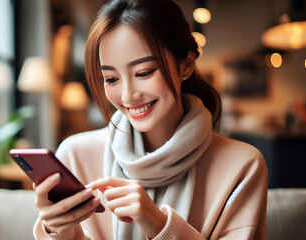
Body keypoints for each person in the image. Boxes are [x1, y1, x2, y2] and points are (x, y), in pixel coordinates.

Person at [33, 0, 268, 239]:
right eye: (111, 79)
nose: (128, 95)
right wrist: (59, 230)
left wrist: (159, 224)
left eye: (143, 73)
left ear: (186, 65)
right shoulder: (75, 156)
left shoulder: (242, 165)